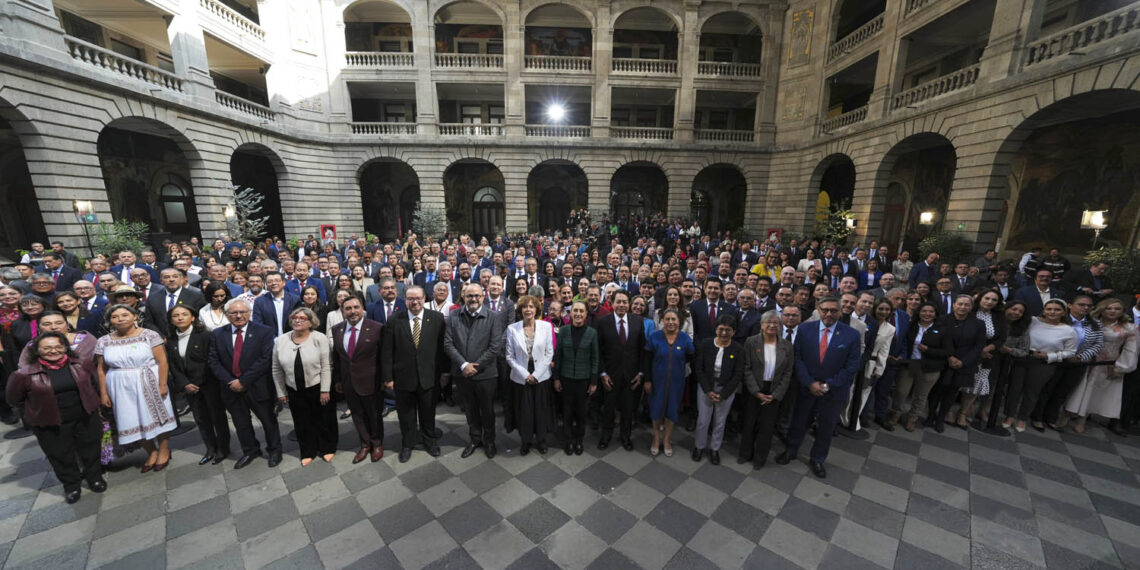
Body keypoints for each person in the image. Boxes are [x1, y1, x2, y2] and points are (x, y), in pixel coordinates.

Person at [6, 333, 106, 503]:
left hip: (84, 415)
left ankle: (94, 477)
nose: (53, 351)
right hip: (49, 421)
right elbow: (14, 399)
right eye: (46, 348)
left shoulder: (81, 363)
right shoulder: (24, 374)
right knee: (60, 455)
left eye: (58, 346)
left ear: (66, 347)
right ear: (37, 351)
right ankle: (71, 485)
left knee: (90, 448)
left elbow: (94, 385)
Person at [777, 296, 862, 478]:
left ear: (840, 311)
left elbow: (852, 366)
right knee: (798, 422)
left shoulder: (852, 335)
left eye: (833, 310)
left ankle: (818, 459)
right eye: (825, 310)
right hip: (806, 387)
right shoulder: (805, 329)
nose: (829, 314)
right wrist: (810, 382)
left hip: (833, 391)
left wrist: (828, 385)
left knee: (826, 427)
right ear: (818, 309)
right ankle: (791, 451)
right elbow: (797, 358)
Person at [95, 304, 176, 472]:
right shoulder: (103, 341)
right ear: (110, 321)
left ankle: (163, 450)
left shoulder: (149, 335)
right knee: (131, 419)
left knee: (158, 417)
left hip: (148, 380)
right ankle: (151, 452)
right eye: (115, 316)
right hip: (120, 385)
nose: (120, 319)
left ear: (134, 317)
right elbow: (101, 370)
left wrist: (162, 384)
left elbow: (162, 361)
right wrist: (104, 393)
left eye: (125, 315)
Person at [208, 299, 282, 469]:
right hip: (230, 388)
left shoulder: (264, 331)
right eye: (234, 313)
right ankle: (250, 450)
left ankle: (274, 450)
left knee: (268, 421)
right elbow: (213, 361)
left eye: (243, 312)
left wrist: (243, 381)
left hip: (257, 386)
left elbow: (266, 359)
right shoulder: (218, 334)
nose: (239, 316)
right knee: (241, 423)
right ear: (227, 315)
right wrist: (230, 381)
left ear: (249, 313)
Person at [382, 286, 446, 462]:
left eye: (418, 298)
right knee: (406, 415)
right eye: (410, 299)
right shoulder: (394, 320)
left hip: (429, 377)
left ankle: (430, 441)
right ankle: (407, 444)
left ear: (425, 298)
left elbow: (441, 349)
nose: (415, 302)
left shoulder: (437, 318)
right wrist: (388, 378)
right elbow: (387, 351)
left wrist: (444, 373)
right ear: (405, 300)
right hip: (403, 378)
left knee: (428, 413)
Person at [444, 284, 506, 458]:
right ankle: (474, 439)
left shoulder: (493, 317)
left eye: (477, 296)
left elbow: (495, 347)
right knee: (470, 410)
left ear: (483, 296)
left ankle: (490, 441)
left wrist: (475, 366)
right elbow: (448, 344)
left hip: (486, 374)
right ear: (463, 296)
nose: (473, 299)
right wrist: (464, 365)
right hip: (462, 374)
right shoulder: (454, 315)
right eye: (469, 296)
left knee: (487, 410)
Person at [165, 305, 231, 465]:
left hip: (208, 383)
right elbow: (173, 365)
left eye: (184, 314)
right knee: (201, 418)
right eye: (176, 315)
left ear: (193, 317)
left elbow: (211, 360)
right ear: (171, 320)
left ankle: (223, 448)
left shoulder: (206, 336)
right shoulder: (171, 339)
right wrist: (185, 384)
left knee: (217, 417)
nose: (180, 318)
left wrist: (197, 382)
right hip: (189, 387)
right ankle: (210, 448)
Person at [272, 307, 335, 466]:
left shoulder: (319, 338)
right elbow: (276, 368)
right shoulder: (280, 341)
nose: (297, 320)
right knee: (301, 422)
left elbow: (326, 366)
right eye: (294, 317)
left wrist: (325, 389)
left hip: (317, 387)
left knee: (323, 419)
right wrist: (280, 392)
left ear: (311, 322)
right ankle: (308, 451)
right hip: (294, 389)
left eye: (302, 318)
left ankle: (326, 448)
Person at [1064, 298, 1137, 433]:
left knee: (1094, 392)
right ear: (1101, 308)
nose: (1112, 311)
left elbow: (1131, 349)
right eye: (1109, 308)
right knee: (1077, 387)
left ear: (1122, 312)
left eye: (1117, 309)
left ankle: (1082, 419)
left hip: (1107, 364)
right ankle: (1067, 414)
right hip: (1085, 359)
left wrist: (1122, 367)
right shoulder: (1090, 321)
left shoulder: (1129, 327)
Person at [1005, 299, 1077, 432]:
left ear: (1063, 312)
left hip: (1044, 363)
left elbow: (1071, 352)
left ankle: (1022, 418)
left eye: (1057, 309)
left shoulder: (1069, 331)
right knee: (1014, 389)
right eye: (1049, 309)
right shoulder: (1032, 321)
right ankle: (1009, 416)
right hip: (1022, 358)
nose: (1052, 312)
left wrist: (1049, 356)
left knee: (1032, 392)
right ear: (1043, 310)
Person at [332, 296, 386, 463]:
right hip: (349, 382)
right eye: (348, 308)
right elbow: (337, 357)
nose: (352, 311)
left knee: (374, 414)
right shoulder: (337, 329)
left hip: (372, 381)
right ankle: (364, 444)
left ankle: (377, 443)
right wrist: (338, 380)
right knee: (357, 415)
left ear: (363, 308)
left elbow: (384, 357)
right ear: (343, 311)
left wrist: (385, 379)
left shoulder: (377, 328)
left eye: (356, 307)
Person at [739, 311, 794, 468]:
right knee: (749, 423)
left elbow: (788, 372)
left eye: (775, 323)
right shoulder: (751, 342)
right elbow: (746, 368)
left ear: (779, 326)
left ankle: (760, 458)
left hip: (773, 390)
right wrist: (756, 391)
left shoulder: (787, 346)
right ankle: (745, 454)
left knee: (767, 427)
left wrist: (775, 395)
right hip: (754, 389)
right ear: (762, 325)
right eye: (768, 322)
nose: (772, 325)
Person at [596, 290, 648, 451]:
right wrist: (603, 374)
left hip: (631, 375)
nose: (621, 305)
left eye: (625, 302)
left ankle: (626, 437)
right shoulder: (603, 322)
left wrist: (641, 373)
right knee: (609, 409)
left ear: (629, 304)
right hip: (610, 375)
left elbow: (642, 350)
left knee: (628, 410)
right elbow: (599, 350)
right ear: (612, 303)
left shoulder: (638, 321)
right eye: (618, 301)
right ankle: (606, 437)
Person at [925, 295, 985, 433]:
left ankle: (941, 419)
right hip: (943, 361)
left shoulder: (978, 324)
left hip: (963, 364)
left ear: (971, 307)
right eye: (960, 304)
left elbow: (978, 346)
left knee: (951, 393)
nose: (962, 307)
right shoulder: (942, 320)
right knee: (936, 390)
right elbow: (936, 340)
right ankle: (930, 416)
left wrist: (963, 361)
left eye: (966, 305)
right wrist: (949, 357)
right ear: (954, 305)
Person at [505, 295, 555, 455]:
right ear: (520, 310)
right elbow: (509, 356)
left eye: (531, 306)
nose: (528, 309)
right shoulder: (512, 328)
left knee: (541, 409)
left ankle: (541, 440)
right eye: (525, 307)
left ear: (537, 310)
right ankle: (525, 441)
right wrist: (526, 374)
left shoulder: (546, 327)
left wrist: (537, 374)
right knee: (524, 411)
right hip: (521, 376)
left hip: (541, 375)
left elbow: (549, 353)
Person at [692, 313, 745, 465]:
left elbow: (737, 375)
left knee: (720, 421)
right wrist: (708, 390)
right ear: (716, 329)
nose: (724, 333)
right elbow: (699, 369)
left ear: (733, 332)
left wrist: (723, 394)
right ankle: (699, 446)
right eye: (721, 329)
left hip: (726, 389)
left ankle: (714, 449)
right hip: (706, 386)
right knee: (703, 420)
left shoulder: (738, 349)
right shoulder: (706, 344)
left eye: (728, 330)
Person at [953, 289, 1008, 427]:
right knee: (956, 384)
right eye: (987, 298)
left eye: (994, 300)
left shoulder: (999, 317)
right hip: (964, 355)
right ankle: (947, 410)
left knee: (975, 388)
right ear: (980, 299)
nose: (990, 302)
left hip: (986, 358)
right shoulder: (968, 311)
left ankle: (962, 414)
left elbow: (1001, 338)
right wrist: (977, 351)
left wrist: (988, 348)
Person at [645, 307, 694, 457]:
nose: (670, 322)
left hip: (676, 382)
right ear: (662, 321)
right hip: (656, 381)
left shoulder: (685, 338)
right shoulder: (654, 336)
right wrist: (647, 380)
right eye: (667, 319)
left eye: (674, 319)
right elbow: (647, 360)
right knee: (656, 410)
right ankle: (656, 438)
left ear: (679, 322)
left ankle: (666, 440)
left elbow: (690, 356)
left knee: (671, 411)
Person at [553, 300, 599, 456]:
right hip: (565, 378)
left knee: (581, 412)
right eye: (575, 311)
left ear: (586, 314)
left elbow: (595, 359)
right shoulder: (564, 331)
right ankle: (568, 440)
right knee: (566, 411)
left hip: (584, 379)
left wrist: (593, 381)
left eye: (581, 311)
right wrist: (556, 378)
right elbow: (558, 356)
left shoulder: (592, 333)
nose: (578, 314)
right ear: (570, 313)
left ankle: (578, 440)